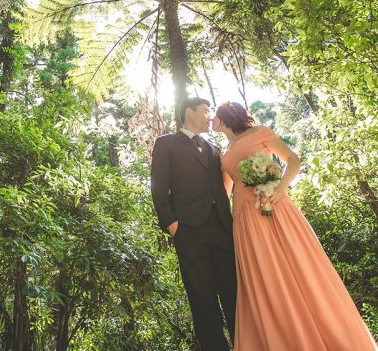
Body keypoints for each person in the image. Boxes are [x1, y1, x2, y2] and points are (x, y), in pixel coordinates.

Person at [212, 101, 377, 351]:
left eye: (214, 115)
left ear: (225, 117)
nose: (211, 120)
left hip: (276, 206)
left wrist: (280, 187)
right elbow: (225, 192)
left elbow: (294, 160)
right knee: (265, 276)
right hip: (246, 220)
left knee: (300, 265)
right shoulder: (223, 155)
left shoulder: (260, 133)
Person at [150, 97, 236, 351]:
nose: (210, 116)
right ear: (189, 112)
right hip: (188, 230)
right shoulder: (165, 144)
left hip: (222, 228)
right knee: (201, 295)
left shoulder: (213, 148)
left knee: (233, 291)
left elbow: (223, 188)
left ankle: (243, 343)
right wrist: (172, 224)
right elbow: (158, 186)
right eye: (206, 110)